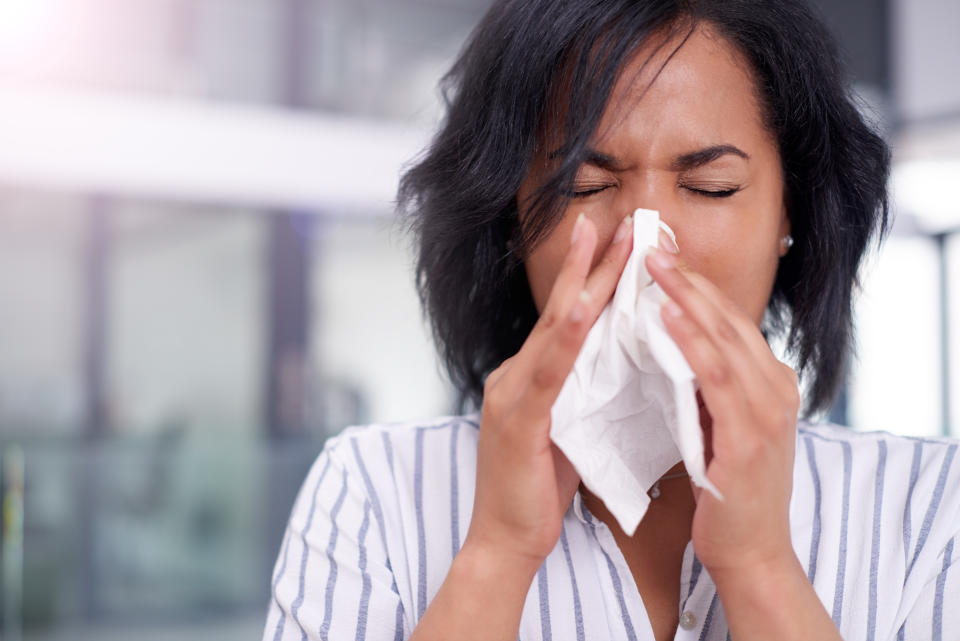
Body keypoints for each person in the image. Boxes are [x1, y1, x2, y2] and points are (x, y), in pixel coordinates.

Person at [263, 1, 960, 639]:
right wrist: (497, 552)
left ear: (789, 212)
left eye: (709, 186)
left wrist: (761, 567)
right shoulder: (376, 489)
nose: (645, 242)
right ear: (512, 220)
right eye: (585, 186)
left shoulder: (928, 509)